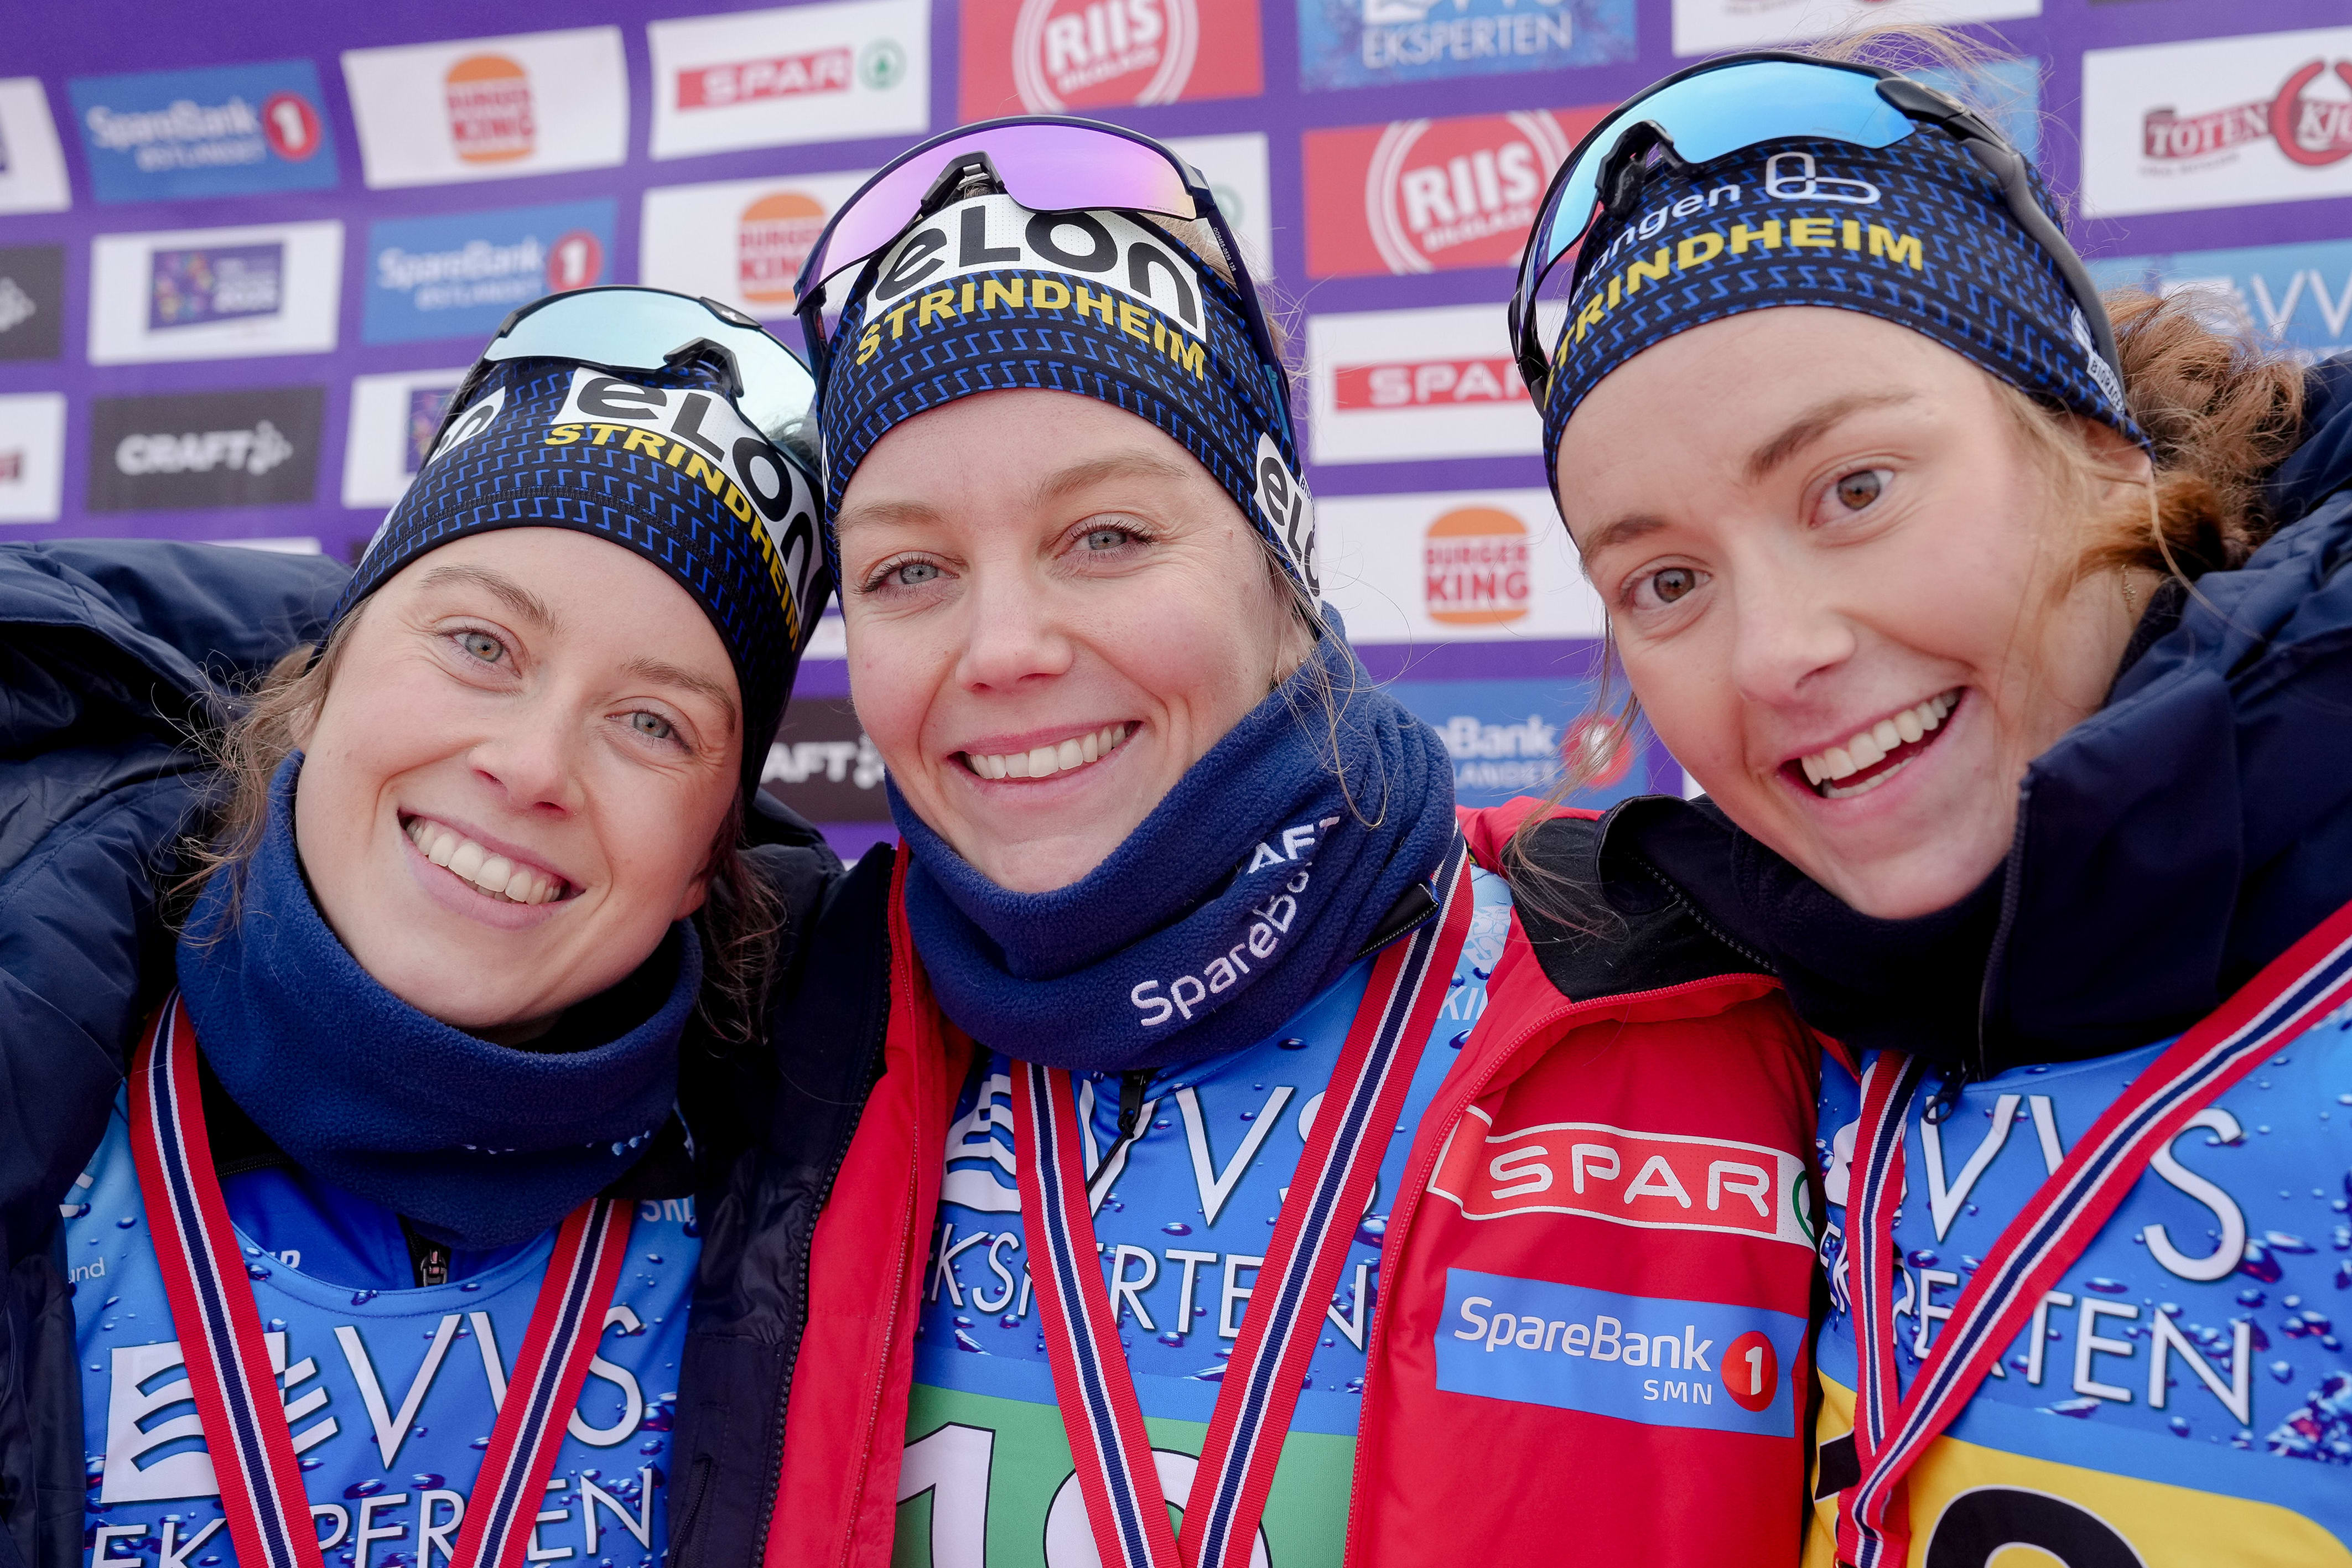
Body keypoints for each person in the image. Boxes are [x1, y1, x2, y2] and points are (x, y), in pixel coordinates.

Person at [667, 117, 1824, 1568]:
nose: (1004, 646)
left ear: (1277, 560)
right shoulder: (788, 1022)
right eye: (909, 569)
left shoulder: (1683, 986)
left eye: (1104, 536)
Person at [1507, 41, 2352, 1568]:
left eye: (1854, 490)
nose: (1774, 654)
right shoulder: (1741, 1011)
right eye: (1666, 580)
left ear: (2093, 443)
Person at [0, 289, 841, 1568]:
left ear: (704, 862)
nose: (532, 765)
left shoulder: (795, 1175)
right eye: (479, 643)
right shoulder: (48, 1082)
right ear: (318, 684)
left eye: (651, 722)